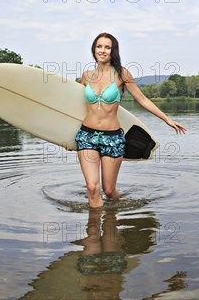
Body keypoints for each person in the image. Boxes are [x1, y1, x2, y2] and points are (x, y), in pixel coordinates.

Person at [74, 33, 186, 208]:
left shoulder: (122, 74)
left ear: (113, 51)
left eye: (107, 47)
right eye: (99, 46)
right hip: (86, 135)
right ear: (94, 49)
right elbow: (77, 107)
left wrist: (167, 119)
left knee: (109, 190)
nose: (102, 51)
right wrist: (66, 135)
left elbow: (142, 100)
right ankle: (94, 233)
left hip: (112, 137)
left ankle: (114, 213)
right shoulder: (87, 76)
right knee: (92, 188)